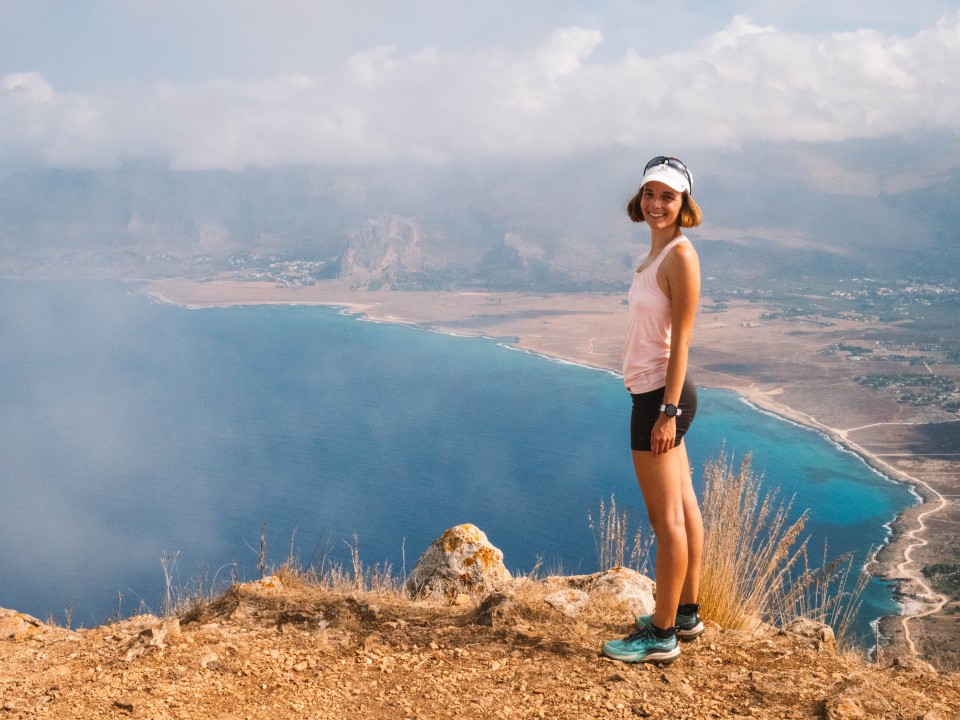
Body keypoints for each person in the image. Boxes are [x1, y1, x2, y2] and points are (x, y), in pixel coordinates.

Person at [602, 156, 704, 664]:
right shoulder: (657, 253)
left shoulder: (680, 257)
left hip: (660, 397)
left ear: (684, 201)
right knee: (684, 508)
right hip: (658, 394)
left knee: (666, 522)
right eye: (649, 194)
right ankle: (686, 615)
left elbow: (682, 340)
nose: (656, 204)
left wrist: (666, 410)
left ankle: (661, 636)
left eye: (668, 196)